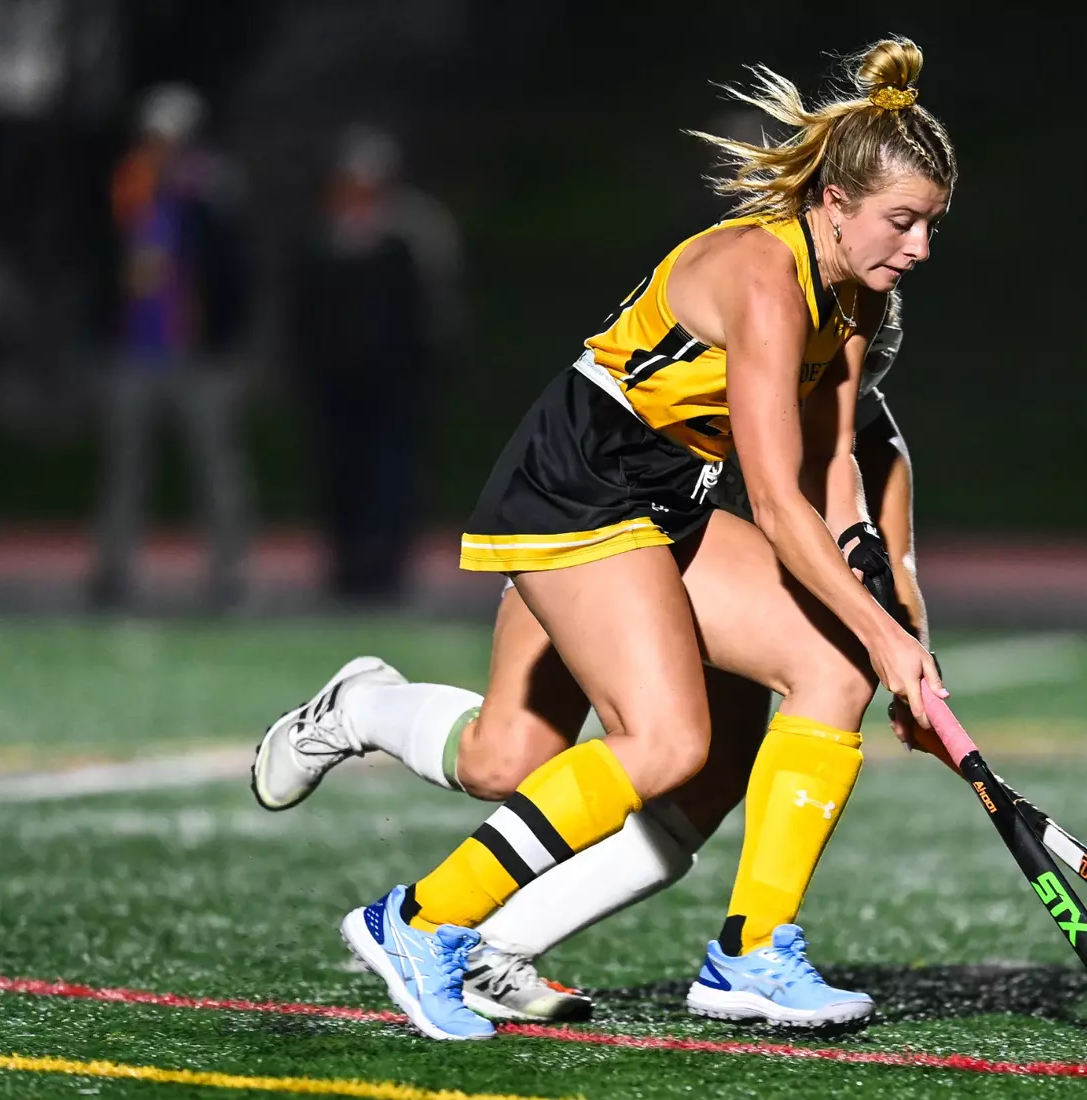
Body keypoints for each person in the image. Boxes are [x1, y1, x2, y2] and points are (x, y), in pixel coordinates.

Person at [256, 37, 956, 1040]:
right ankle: (417, 919)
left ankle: (750, 949)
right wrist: (888, 636)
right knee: (649, 742)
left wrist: (898, 635)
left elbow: (836, 471)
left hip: (668, 495)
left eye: (933, 223)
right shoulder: (766, 278)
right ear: (837, 203)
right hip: (578, 480)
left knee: (820, 670)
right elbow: (778, 494)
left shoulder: (857, 292)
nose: (922, 246)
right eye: (905, 220)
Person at [252, 301, 922, 1023]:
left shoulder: (871, 449)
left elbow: (895, 585)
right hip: (610, 532)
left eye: (858, 375)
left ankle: (494, 950)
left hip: (714, 580)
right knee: (502, 761)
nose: (830, 389)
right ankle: (358, 707)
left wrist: (914, 673)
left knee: (704, 780)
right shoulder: (740, 369)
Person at [90, 83, 254, 611]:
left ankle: (228, 572)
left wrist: (228, 338)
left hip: (198, 353)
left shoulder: (214, 189)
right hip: (134, 347)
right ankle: (114, 571)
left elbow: (236, 269)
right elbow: (97, 261)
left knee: (215, 464)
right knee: (124, 466)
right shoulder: (125, 185)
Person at [289, 125, 463, 604]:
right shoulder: (323, 236)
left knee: (393, 472)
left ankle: (387, 567)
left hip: (395, 382)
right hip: (336, 383)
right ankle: (346, 566)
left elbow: (431, 311)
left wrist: (426, 367)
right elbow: (304, 312)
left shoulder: (410, 233)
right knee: (340, 471)